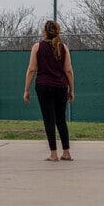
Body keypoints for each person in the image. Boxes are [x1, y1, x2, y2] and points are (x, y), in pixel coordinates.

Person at [23, 20, 74, 162]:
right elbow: (68, 70)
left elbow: (32, 69)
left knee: (49, 119)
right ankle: (67, 152)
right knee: (61, 119)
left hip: (44, 86)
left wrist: (26, 90)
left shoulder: (37, 47)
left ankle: (53, 154)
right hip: (61, 87)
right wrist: (71, 90)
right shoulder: (64, 47)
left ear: (44, 32)